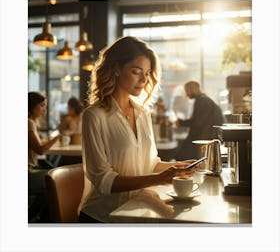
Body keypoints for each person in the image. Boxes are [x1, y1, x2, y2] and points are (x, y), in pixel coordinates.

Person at [78, 36, 199, 223]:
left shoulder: (143, 113)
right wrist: (158, 179)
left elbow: (150, 164)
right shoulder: (94, 116)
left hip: (135, 210)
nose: (144, 80)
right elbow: (104, 181)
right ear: (116, 69)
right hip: (102, 217)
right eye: (136, 72)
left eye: (148, 73)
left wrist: (178, 168)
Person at [28, 91, 61, 222]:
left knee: (52, 176)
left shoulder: (31, 123)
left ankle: (34, 217)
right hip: (27, 173)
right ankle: (39, 219)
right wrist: (57, 137)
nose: (44, 109)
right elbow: (40, 150)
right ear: (32, 106)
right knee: (55, 179)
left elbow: (38, 144)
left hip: (31, 169)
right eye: (41, 105)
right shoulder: (28, 123)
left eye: (45, 106)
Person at [174, 80, 224, 160]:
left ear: (192, 89)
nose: (186, 94)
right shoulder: (204, 100)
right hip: (207, 136)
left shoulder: (202, 101)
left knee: (183, 157)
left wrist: (181, 122)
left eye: (187, 91)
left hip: (204, 137)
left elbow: (197, 122)